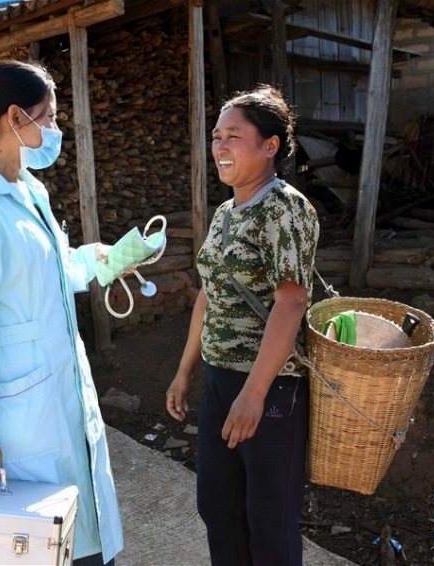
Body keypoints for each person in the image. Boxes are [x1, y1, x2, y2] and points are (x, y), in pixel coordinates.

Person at [0, 60, 124, 566]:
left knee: (82, 545)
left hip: (59, 400)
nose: (56, 130)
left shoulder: (29, 189)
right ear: (15, 118)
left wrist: (100, 260)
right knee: (40, 549)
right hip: (17, 425)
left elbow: (46, 274)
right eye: (49, 117)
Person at [165, 86, 319, 566]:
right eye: (217, 136)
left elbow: (292, 301)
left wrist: (254, 393)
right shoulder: (225, 213)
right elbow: (208, 294)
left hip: (269, 388)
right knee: (218, 506)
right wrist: (185, 371)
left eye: (234, 135)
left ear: (270, 146)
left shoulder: (285, 209)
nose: (221, 146)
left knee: (268, 520)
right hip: (220, 380)